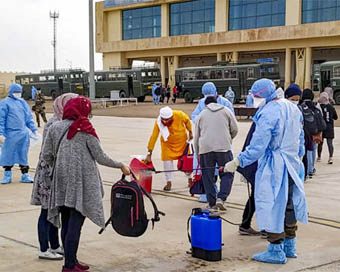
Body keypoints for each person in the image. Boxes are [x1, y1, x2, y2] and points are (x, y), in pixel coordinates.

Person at [224, 78, 307, 264]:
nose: (255, 99)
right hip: (293, 164)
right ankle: (289, 245)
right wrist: (297, 158)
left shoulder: (269, 112)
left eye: (256, 96)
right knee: (289, 205)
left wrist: (238, 161)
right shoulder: (293, 108)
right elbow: (301, 138)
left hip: (275, 166)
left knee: (272, 206)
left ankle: (275, 250)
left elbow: (258, 146)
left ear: (261, 95)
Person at [42, 96, 130, 272]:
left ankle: (71, 261)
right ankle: (69, 266)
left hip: (61, 181)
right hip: (80, 182)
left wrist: (61, 166)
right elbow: (100, 156)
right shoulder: (85, 128)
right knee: (75, 223)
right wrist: (121, 165)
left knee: (67, 221)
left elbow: (46, 155)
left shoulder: (54, 127)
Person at [31, 93, 78, 261]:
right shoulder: (55, 124)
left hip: (56, 172)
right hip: (48, 173)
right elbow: (48, 153)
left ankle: (55, 245)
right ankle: (44, 248)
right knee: (46, 210)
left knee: (54, 210)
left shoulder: (59, 121)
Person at [191, 82, 235, 203]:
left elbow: (197, 135)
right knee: (227, 171)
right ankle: (221, 197)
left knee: (207, 175)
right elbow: (234, 127)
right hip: (223, 146)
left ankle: (211, 201)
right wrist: (227, 138)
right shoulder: (226, 108)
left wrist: (198, 153)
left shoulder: (202, 113)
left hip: (205, 147)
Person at [145, 106, 193, 191]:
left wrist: (190, 131)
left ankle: (190, 179)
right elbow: (154, 137)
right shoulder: (158, 122)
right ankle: (169, 182)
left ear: (172, 117)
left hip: (182, 143)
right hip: (167, 145)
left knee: (187, 162)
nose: (166, 122)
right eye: (164, 120)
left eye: (168, 120)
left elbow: (187, 121)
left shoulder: (179, 114)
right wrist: (149, 153)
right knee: (167, 162)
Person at [0, 84, 38, 184]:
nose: (18, 94)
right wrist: (1, 133)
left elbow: (28, 117)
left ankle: (25, 175)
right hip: (10, 134)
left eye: (19, 92)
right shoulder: (4, 103)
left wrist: (33, 129)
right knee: (8, 154)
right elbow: (1, 119)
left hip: (22, 133)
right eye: (16, 91)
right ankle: (7, 175)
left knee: (23, 154)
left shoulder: (22, 103)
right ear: (11, 91)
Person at [301, 88, 322, 179]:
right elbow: (321, 121)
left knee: (305, 152)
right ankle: (311, 169)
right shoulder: (316, 107)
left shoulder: (300, 106)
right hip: (314, 132)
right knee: (312, 150)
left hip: (303, 132)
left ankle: (306, 170)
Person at [317, 92, 338, 164]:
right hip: (330, 127)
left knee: (320, 143)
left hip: (322, 127)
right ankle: (330, 157)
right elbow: (335, 117)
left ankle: (319, 157)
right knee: (330, 143)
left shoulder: (319, 107)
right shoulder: (331, 107)